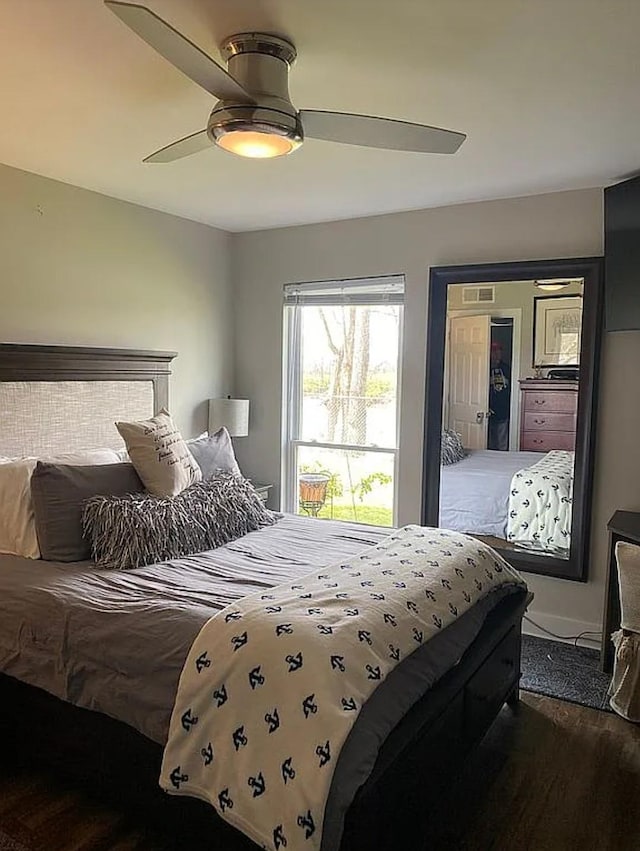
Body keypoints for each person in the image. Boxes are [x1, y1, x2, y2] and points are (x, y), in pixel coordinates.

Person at [488, 341, 510, 451]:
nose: (496, 353)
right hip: (488, 409)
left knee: (502, 440)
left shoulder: (507, 369)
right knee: (489, 440)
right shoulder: (484, 368)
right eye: (493, 351)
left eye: (498, 351)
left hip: (503, 408)